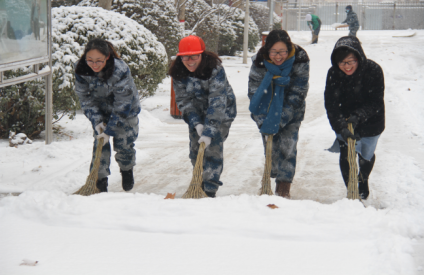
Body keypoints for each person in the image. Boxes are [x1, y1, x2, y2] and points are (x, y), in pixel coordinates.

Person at [169, 35, 237, 198]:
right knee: (195, 148)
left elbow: (217, 100)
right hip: (197, 112)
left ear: (202, 55)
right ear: (180, 57)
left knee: (212, 146)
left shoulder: (215, 69)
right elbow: (183, 100)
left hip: (222, 112)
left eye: (195, 56)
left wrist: (210, 128)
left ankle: (210, 189)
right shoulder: (178, 73)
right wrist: (196, 123)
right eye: (186, 57)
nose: (190, 61)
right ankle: (198, 180)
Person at [248, 30, 309, 198]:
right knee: (271, 150)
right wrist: (262, 120)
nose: (278, 56)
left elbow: (299, 91)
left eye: (282, 51)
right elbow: (254, 91)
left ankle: (283, 189)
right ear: (267, 51)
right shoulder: (260, 62)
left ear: (289, 49)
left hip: (292, 110)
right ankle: (273, 174)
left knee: (288, 148)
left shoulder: (300, 60)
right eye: (274, 52)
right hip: (266, 110)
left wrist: (280, 119)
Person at [74, 38, 141, 193]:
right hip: (101, 110)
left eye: (99, 60)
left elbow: (123, 103)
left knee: (124, 144)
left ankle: (126, 169)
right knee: (100, 145)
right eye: (90, 60)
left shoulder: (119, 70)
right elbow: (85, 98)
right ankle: (99, 182)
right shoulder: (81, 70)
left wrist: (110, 130)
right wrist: (97, 121)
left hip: (125, 111)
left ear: (107, 57)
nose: (94, 64)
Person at [324, 36, 385, 200]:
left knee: (366, 154)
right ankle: (351, 189)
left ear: (359, 57)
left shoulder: (373, 70)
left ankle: (363, 178)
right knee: (346, 154)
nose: (347, 66)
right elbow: (331, 103)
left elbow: (376, 101)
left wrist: (359, 116)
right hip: (345, 121)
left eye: (351, 61)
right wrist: (340, 127)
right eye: (342, 62)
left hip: (371, 121)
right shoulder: (334, 74)